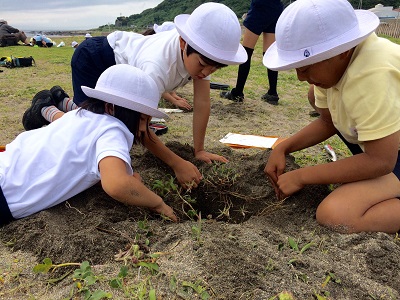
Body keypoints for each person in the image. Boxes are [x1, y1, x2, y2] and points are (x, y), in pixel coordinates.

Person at [22, 2, 247, 190]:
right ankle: (45, 109)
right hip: (95, 58)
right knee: (93, 130)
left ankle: (63, 101)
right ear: (183, 43)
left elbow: (202, 102)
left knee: (106, 122)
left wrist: (199, 150)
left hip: (122, 71)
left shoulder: (201, 53)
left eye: (215, 69)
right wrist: (177, 163)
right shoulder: (156, 68)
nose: (207, 72)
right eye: (204, 65)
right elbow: (142, 131)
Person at [263, 0, 400, 234]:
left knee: (335, 213)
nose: (299, 76)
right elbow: (328, 121)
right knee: (313, 95)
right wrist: (282, 148)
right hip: (384, 147)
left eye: (305, 67)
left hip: (388, 155)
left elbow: (380, 161)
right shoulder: (337, 64)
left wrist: (302, 176)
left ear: (342, 50)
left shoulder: (370, 77)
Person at [1, 64, 177, 226]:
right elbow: (117, 184)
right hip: (7, 193)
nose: (142, 128)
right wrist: (158, 204)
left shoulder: (78, 115)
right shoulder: (112, 130)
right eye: (142, 119)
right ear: (111, 108)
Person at [220, 0, 283, 105]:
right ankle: (272, 93)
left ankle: (238, 92)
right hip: (276, 8)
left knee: (246, 52)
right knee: (269, 53)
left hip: (260, 7)